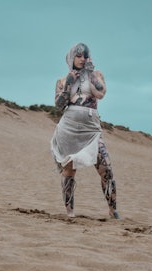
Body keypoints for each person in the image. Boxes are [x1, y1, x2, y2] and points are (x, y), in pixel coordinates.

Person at [50, 42, 120, 219]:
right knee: (68, 172)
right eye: (78, 56)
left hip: (91, 130)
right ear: (71, 57)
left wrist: (89, 73)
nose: (82, 59)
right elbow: (59, 105)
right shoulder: (62, 80)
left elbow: (100, 94)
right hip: (68, 131)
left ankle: (113, 210)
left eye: (85, 56)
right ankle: (70, 212)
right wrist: (69, 84)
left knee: (106, 169)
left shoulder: (95, 75)